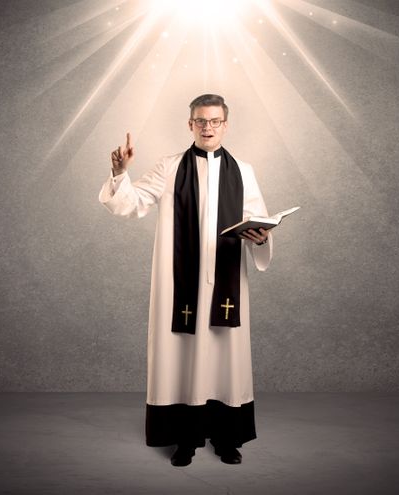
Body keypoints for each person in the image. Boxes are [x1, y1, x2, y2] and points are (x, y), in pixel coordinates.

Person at [99, 94, 273, 467]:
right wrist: (119, 174)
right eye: (200, 121)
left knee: (226, 357)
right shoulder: (170, 167)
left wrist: (261, 236)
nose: (207, 127)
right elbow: (132, 203)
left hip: (226, 282)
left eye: (214, 121)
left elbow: (257, 217)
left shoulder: (242, 170)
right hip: (179, 285)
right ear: (189, 124)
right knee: (180, 354)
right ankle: (185, 439)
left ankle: (227, 439)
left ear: (226, 124)